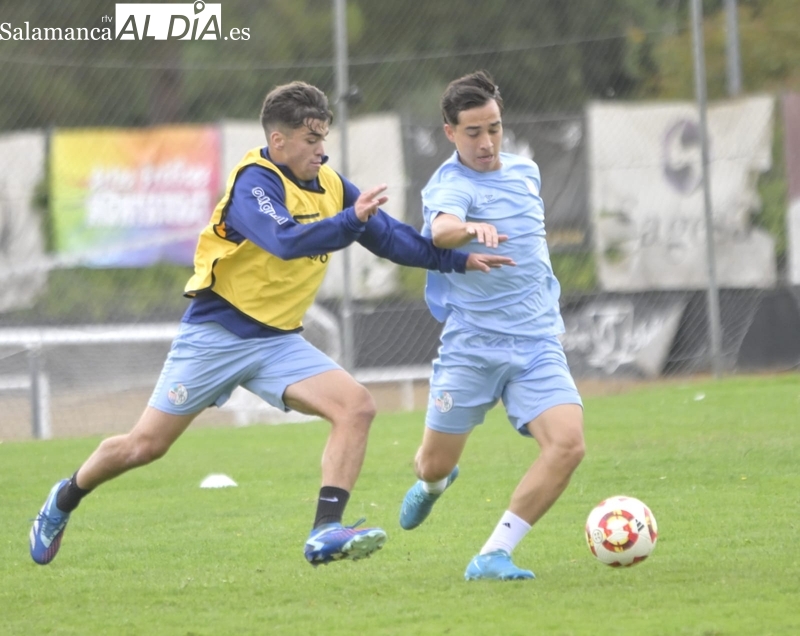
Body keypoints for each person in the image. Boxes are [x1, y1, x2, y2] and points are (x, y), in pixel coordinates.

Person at [29, 80, 513, 568]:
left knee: (356, 407)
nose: (321, 150)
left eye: (323, 139)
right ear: (278, 141)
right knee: (144, 446)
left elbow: (391, 239)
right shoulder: (253, 184)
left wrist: (456, 260)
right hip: (218, 335)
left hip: (278, 342)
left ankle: (325, 530)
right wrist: (350, 221)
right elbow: (285, 241)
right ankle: (63, 498)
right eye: (310, 140)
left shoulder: (331, 184)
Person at [398, 71, 585, 581]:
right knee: (434, 464)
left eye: (494, 128)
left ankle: (493, 554)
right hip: (473, 346)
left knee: (568, 445)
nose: (486, 143)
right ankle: (433, 484)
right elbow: (441, 230)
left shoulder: (527, 171)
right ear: (450, 133)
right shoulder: (450, 184)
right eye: (473, 132)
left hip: (536, 339)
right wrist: (467, 230)